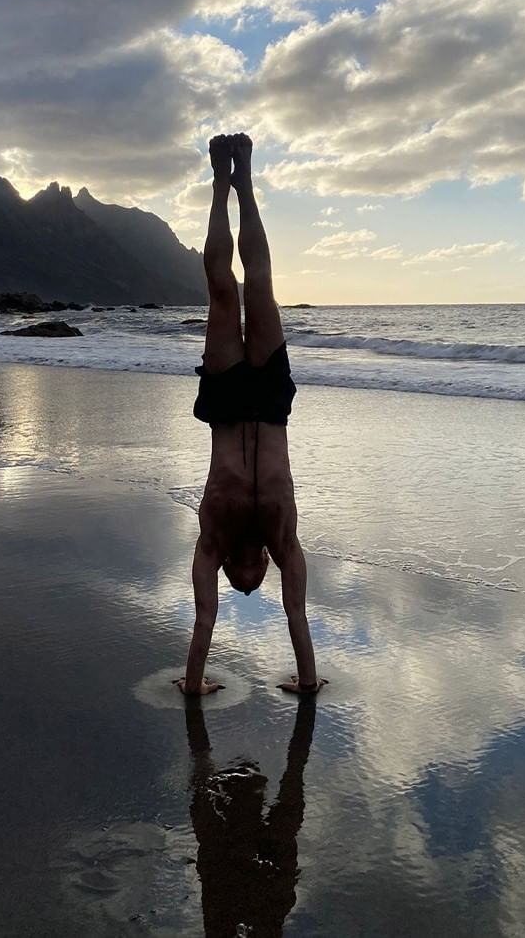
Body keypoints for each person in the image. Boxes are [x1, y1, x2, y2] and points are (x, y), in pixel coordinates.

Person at [175, 132, 327, 697]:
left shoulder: (211, 540)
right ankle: (247, 180)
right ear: (264, 566)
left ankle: (224, 185)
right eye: (254, 582)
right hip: (271, 405)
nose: (246, 584)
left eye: (240, 583)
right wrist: (307, 681)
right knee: (257, 284)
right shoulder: (282, 539)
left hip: (226, 406)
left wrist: (194, 684)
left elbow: (204, 622)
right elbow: (297, 617)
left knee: (223, 292)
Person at [185, 698, 316, 935]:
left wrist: (193, 690)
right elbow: (295, 769)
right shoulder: (275, 840)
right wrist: (308, 687)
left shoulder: (214, 837)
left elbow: (201, 764)